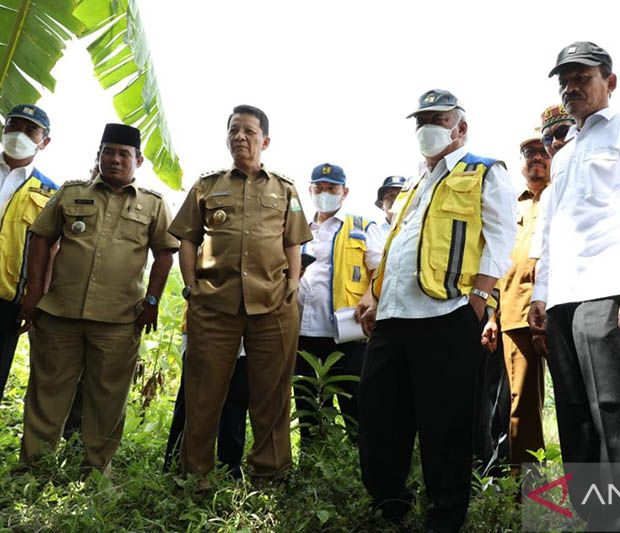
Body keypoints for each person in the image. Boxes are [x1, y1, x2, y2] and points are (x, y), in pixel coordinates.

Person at [358, 89, 516, 532]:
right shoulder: (412, 184)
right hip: (391, 318)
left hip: (445, 314)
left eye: (437, 119)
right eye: (421, 120)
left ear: (460, 127)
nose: (426, 128)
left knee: (445, 425)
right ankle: (391, 505)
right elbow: (397, 247)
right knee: (378, 416)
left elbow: (502, 236)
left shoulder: (483, 171)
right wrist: (374, 296)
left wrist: (480, 298)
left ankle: (443, 517)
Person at [530, 42, 620, 531]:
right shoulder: (564, 153)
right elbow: (553, 229)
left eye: (582, 77)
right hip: (564, 299)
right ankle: (596, 518)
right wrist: (540, 294)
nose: (571, 87)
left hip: (612, 288)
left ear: (609, 81)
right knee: (574, 412)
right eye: (563, 79)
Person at [18, 123, 177, 473]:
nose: (115, 159)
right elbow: (41, 237)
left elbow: (166, 253)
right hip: (61, 314)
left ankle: (95, 470)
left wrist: (151, 302)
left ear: (139, 159)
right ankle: (34, 468)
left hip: (119, 321)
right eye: (108, 152)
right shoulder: (72, 192)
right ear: (99, 155)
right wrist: (34, 292)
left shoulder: (153, 203)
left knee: (107, 401)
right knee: (47, 393)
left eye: (123, 154)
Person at [168, 104, 312, 488]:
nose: (239, 137)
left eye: (248, 131)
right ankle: (196, 475)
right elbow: (186, 238)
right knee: (204, 392)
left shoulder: (285, 189)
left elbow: (293, 239)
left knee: (272, 393)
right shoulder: (207, 185)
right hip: (214, 303)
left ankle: (271, 472)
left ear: (265, 140)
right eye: (233, 130)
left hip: (273, 304)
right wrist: (191, 285)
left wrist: (293, 282)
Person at [295, 163, 382, 446]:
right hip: (303, 334)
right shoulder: (297, 230)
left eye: (332, 188)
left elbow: (381, 268)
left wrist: (370, 295)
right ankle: (312, 468)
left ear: (344, 192)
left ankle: (358, 468)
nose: (325, 194)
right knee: (308, 407)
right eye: (319, 188)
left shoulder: (361, 225)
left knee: (354, 405)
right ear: (310, 191)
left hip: (347, 332)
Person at [481, 129, 549, 473]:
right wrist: (492, 315)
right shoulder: (511, 204)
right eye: (528, 152)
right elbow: (498, 259)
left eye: (542, 150)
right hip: (514, 314)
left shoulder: (565, 192)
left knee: (579, 399)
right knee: (519, 404)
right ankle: (529, 491)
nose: (536, 157)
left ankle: (591, 487)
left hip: (565, 309)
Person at [0, 105, 56, 401]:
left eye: (30, 129)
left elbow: (50, 249)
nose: (19, 133)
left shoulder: (49, 192)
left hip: (7, 299)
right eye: (14, 125)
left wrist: (37, 296)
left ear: (44, 141)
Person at [163, 310, 249, 480]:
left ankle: (230, 471)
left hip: (249, 327)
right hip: (208, 322)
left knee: (237, 401)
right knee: (194, 401)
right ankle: (176, 467)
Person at [374, 175, 405, 241]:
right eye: (390, 196)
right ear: (382, 204)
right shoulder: (375, 233)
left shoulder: (418, 228)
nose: (396, 200)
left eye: (401, 195)